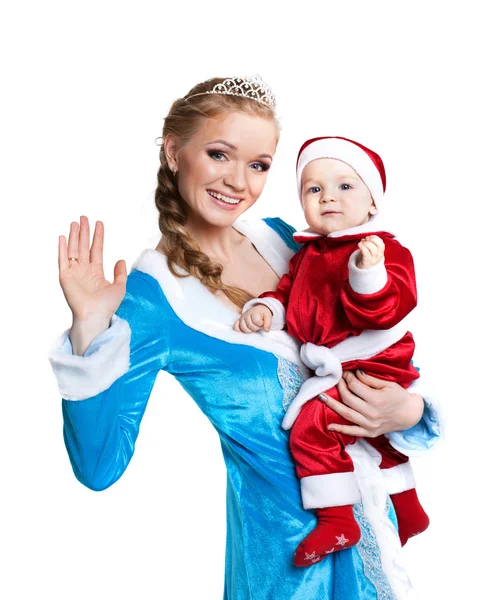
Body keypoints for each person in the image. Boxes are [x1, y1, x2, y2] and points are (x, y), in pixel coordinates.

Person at [49, 76, 440, 599]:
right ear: (173, 150)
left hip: (376, 543)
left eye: (258, 165)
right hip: (285, 570)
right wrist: (90, 327)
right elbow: (98, 468)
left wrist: (409, 412)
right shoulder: (152, 297)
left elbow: (378, 338)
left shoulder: (289, 242)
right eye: (219, 154)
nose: (238, 182)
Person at [235, 136, 430, 568]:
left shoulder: (382, 249)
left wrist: (368, 272)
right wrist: (269, 308)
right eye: (314, 189)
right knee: (370, 432)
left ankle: (337, 517)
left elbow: (388, 307)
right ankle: (410, 509)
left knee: (314, 427)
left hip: (371, 358)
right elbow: (292, 293)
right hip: (343, 362)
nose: (328, 198)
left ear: (372, 202)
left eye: (345, 186)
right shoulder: (307, 254)